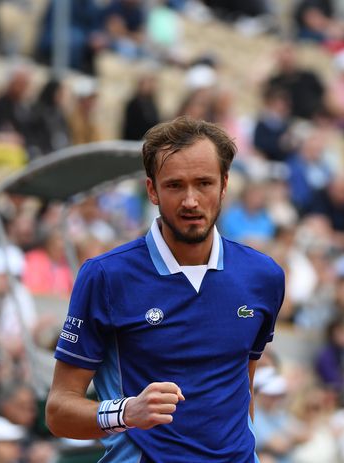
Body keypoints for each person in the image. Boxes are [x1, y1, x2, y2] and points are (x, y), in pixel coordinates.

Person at [46, 116, 285, 462]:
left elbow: (241, 388)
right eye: (175, 185)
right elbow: (58, 411)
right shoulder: (105, 276)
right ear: (152, 189)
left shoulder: (264, 276)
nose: (191, 200)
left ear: (224, 184)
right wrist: (126, 412)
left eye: (204, 183)